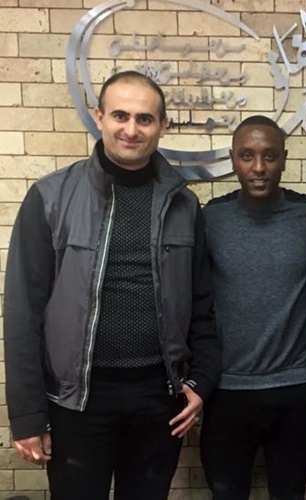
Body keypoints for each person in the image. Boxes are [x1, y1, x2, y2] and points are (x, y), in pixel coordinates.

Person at [3, 70, 220, 500]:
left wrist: (201, 381)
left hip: (158, 398)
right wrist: (27, 414)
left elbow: (202, 304)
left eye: (145, 119)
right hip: (77, 400)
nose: (131, 129)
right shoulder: (50, 197)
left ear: (162, 126)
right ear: (99, 117)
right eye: (121, 115)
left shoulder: (184, 204)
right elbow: (23, 312)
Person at [199, 115, 306, 500]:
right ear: (233, 159)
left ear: (284, 158)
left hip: (294, 391)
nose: (258, 167)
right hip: (226, 392)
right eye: (247, 156)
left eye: (269, 156)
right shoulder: (210, 219)